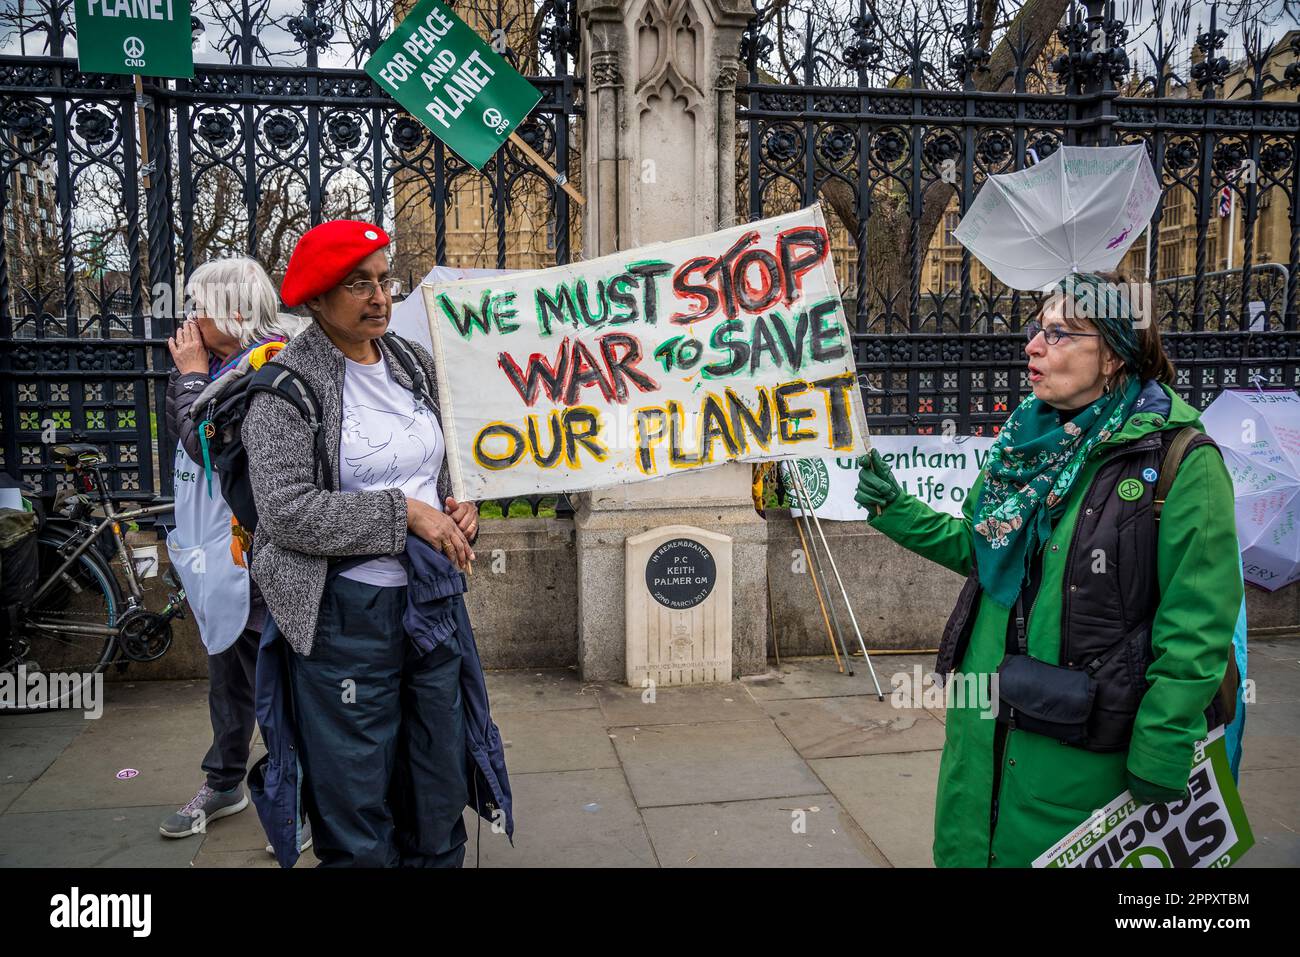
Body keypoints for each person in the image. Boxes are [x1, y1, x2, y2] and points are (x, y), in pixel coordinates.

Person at [856, 271, 1242, 867]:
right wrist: (893, 508)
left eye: (1059, 334)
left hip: (1079, 748)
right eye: (1037, 329)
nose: (1033, 345)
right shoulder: (1022, 441)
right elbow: (981, 551)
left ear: (1112, 353)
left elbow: (1197, 621)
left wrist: (1163, 746)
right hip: (982, 726)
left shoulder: (1180, 462)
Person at [241, 219, 509, 868]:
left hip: (431, 607)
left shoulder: (410, 362)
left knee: (439, 777)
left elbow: (437, 458)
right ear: (316, 298)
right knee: (356, 794)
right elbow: (284, 513)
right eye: (358, 283)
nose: (380, 296)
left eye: (384, 279)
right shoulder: (286, 387)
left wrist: (457, 499)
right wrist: (406, 515)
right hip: (344, 621)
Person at [160, 257, 308, 839]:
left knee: (278, 680)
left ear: (236, 312)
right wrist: (194, 376)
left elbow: (217, 451)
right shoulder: (204, 363)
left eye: (201, 306)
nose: (192, 317)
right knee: (227, 669)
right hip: (214, 548)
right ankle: (224, 781)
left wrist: (195, 379)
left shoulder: (273, 362)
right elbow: (187, 440)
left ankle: (290, 800)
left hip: (265, 550)